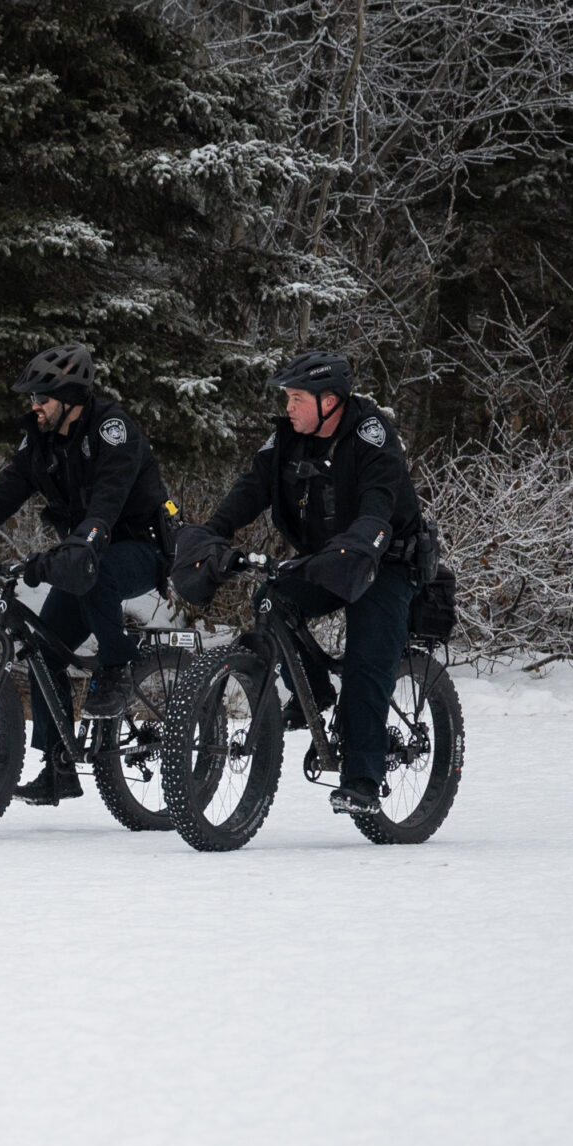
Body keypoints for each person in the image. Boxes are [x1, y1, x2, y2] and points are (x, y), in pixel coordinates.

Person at [0, 343, 177, 805]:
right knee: (43, 647)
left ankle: (118, 665)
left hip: (138, 548)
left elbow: (108, 502)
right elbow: (6, 491)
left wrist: (85, 542)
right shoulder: (40, 439)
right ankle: (58, 767)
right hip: (84, 552)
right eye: (32, 398)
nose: (33, 406)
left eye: (42, 398)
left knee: (97, 574)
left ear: (71, 398)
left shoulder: (114, 431)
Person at [170, 350, 423, 817]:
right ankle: (314, 691)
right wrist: (212, 531)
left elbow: (377, 502)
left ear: (330, 401)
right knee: (272, 601)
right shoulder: (288, 438)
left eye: (297, 398)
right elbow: (251, 489)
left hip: (383, 560)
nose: (289, 407)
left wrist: (361, 542)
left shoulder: (371, 434)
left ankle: (364, 777)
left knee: (368, 660)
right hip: (326, 558)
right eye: (287, 398)